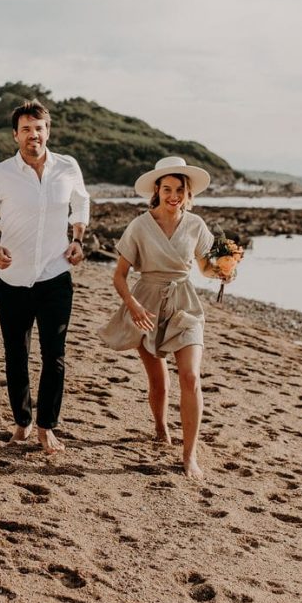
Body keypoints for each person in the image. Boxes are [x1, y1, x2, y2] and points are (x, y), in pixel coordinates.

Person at [0, 100, 88, 453]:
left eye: (39, 128)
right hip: (12, 280)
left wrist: (78, 238)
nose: (33, 135)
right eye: (26, 129)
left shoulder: (68, 167)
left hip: (55, 276)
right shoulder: (0, 173)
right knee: (16, 355)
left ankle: (47, 426)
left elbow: (81, 203)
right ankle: (22, 422)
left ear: (47, 131)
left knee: (55, 355)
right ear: (15, 135)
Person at [98, 156, 219, 480]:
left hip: (185, 305)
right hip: (147, 303)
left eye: (180, 190)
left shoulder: (196, 225)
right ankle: (161, 426)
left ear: (188, 193)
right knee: (158, 381)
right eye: (167, 189)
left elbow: (206, 267)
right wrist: (133, 306)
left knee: (190, 377)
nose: (174, 196)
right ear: (157, 190)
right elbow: (120, 276)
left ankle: (189, 456)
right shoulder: (139, 225)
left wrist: (224, 271)